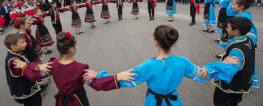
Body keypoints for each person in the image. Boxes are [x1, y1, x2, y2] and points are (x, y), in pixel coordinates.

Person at [85, 25, 238, 106]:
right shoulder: (183, 63)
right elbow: (202, 74)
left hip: (153, 102)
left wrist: (99, 75)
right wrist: (222, 65)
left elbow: (125, 81)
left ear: (155, 42)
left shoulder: (147, 66)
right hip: (173, 101)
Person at [14, 31, 135, 106]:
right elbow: (96, 84)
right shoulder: (80, 69)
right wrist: (117, 77)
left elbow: (35, 75)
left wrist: (26, 66)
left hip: (61, 101)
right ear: (72, 49)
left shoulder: (52, 65)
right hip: (77, 101)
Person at [199, 17, 256, 106]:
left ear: (236, 31)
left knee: (221, 101)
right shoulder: (248, 39)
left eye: (228, 28)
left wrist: (209, 68)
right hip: (241, 84)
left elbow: (227, 71)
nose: (226, 29)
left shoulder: (236, 51)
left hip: (230, 87)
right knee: (234, 102)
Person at [4, 33, 52, 106]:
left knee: (37, 100)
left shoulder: (17, 52)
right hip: (24, 90)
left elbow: (27, 65)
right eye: (22, 42)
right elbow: (30, 73)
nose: (26, 43)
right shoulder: (13, 61)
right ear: (13, 46)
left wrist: (38, 66)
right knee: (34, 103)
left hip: (29, 86)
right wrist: (46, 70)